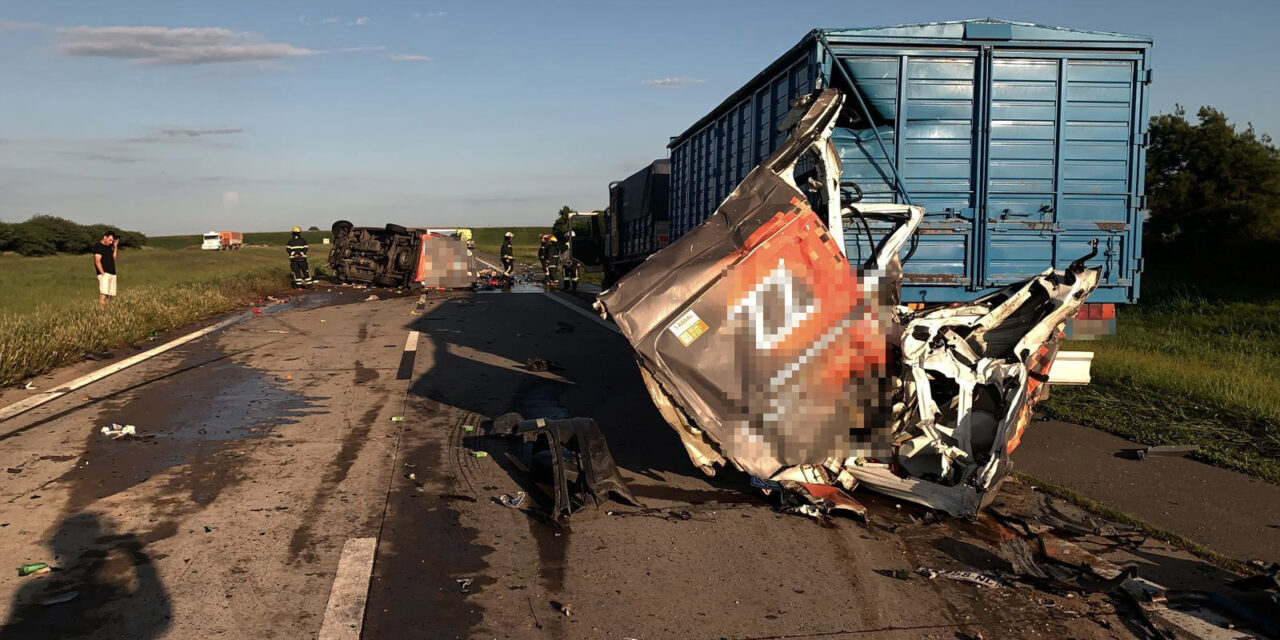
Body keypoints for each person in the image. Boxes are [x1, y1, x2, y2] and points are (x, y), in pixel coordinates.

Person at [92, 231, 119, 306]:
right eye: (109, 240)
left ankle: (108, 314)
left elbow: (114, 257)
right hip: (104, 273)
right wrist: (103, 274)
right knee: (103, 295)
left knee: (110, 296)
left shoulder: (110, 246)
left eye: (112, 241)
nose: (111, 242)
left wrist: (115, 246)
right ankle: (101, 313)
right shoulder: (98, 246)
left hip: (112, 273)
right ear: (105, 237)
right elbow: (97, 261)